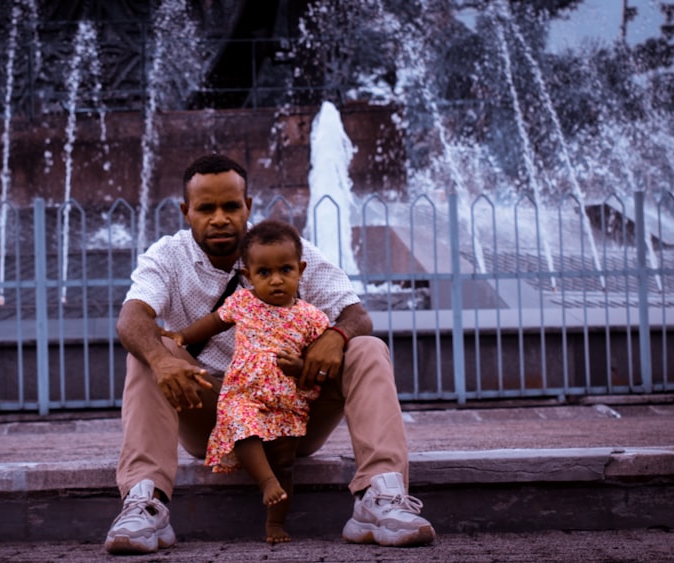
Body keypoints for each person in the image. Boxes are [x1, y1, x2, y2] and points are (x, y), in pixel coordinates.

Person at [104, 153, 435, 555]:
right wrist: (161, 359)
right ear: (185, 211)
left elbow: (356, 314)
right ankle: (145, 502)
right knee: (150, 351)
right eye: (206, 208)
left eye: (231, 206)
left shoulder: (287, 252)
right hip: (212, 412)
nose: (220, 218)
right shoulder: (167, 257)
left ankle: (381, 496)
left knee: (366, 347)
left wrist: (334, 336)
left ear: (248, 206)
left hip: (291, 411)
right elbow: (131, 318)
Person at [161, 219, 329, 544]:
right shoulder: (243, 303)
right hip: (244, 395)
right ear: (249, 276)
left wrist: (299, 366)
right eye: (264, 273)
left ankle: (276, 523)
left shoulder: (312, 318)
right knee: (241, 425)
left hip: (286, 401)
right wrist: (181, 336)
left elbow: (316, 362)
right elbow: (211, 323)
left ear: (301, 269)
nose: (276, 280)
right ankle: (266, 482)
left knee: (285, 462)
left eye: (285, 270)